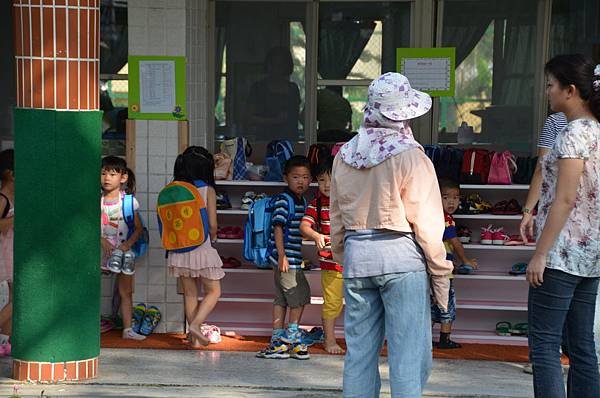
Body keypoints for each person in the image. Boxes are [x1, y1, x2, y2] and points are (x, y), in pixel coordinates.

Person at [330, 72, 453, 397]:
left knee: (358, 356)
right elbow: (428, 226)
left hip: (357, 260)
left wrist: (347, 256)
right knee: (408, 360)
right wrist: (441, 276)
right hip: (401, 260)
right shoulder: (411, 156)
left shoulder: (344, 156)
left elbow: (337, 220)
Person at [524, 54, 600, 398]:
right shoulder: (597, 130)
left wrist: (540, 254)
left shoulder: (572, 134)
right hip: (591, 253)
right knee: (583, 345)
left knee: (544, 344)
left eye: (551, 85)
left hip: (562, 253)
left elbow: (565, 199)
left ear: (570, 91)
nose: (547, 92)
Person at [519, 113, 568, 374]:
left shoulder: (558, 122)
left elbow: (542, 167)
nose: (548, 91)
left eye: (552, 84)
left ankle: (545, 357)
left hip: (560, 230)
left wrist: (528, 210)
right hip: (590, 235)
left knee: (545, 304)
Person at [167, 146, 224, 347]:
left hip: (179, 249)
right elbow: (213, 223)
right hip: (201, 247)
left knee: (190, 293)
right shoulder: (206, 189)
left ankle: (195, 339)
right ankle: (196, 325)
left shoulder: (173, 187)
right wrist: (215, 235)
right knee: (214, 291)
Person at [257, 155, 311, 360]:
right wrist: (282, 256)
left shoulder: (301, 200)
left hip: (288, 257)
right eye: (296, 176)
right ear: (286, 178)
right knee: (299, 295)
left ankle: (277, 339)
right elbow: (277, 227)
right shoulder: (284, 200)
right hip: (286, 258)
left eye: (305, 177)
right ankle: (291, 335)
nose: (301, 181)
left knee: (281, 298)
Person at [299, 156, 345, 354]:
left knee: (358, 303)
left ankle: (360, 341)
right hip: (331, 262)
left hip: (355, 261)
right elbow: (304, 227)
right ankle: (330, 340)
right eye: (322, 180)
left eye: (331, 179)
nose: (326, 185)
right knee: (333, 302)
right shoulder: (316, 204)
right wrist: (316, 235)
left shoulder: (348, 201)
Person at [101, 156, 146, 340]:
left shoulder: (128, 202)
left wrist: (127, 245)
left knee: (125, 291)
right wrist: (101, 240)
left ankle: (128, 330)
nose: (107, 178)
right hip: (100, 252)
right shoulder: (96, 201)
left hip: (123, 253)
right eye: (103, 173)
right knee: (90, 288)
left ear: (123, 177)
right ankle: (85, 327)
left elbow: (138, 228)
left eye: (112, 174)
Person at [433, 178, 477, 349]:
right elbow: (455, 243)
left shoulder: (429, 216)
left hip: (430, 270)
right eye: (445, 197)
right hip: (443, 272)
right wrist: (466, 260)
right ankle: (445, 338)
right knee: (447, 304)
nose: (451, 201)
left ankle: (424, 339)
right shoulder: (447, 220)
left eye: (456, 197)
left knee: (431, 304)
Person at [244, 47, 301, 141]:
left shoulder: (293, 89)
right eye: (273, 64)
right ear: (268, 65)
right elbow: (248, 118)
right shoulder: (258, 88)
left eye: (280, 64)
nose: (276, 68)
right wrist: (274, 121)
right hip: (265, 142)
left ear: (286, 66)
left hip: (290, 142)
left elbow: (295, 116)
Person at [0, 149, 14, 353]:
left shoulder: (13, 197)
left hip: (13, 250)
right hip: (6, 251)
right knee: (20, 298)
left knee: (15, 298)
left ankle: (5, 341)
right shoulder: (2, 198)